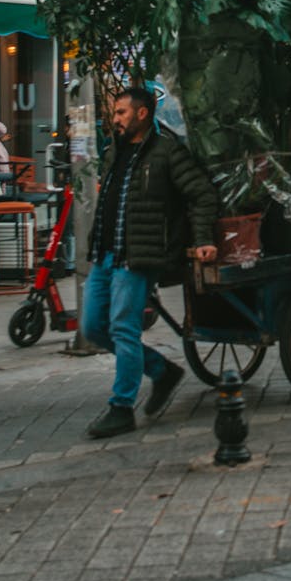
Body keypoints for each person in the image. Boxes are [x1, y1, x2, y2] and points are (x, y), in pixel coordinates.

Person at [83, 86, 218, 439]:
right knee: (92, 326)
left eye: (121, 113)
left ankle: (121, 408)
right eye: (115, 114)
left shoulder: (166, 152)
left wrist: (203, 238)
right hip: (105, 252)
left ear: (143, 114)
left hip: (138, 255)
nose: (115, 120)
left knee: (122, 328)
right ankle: (161, 370)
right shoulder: (114, 152)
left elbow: (201, 193)